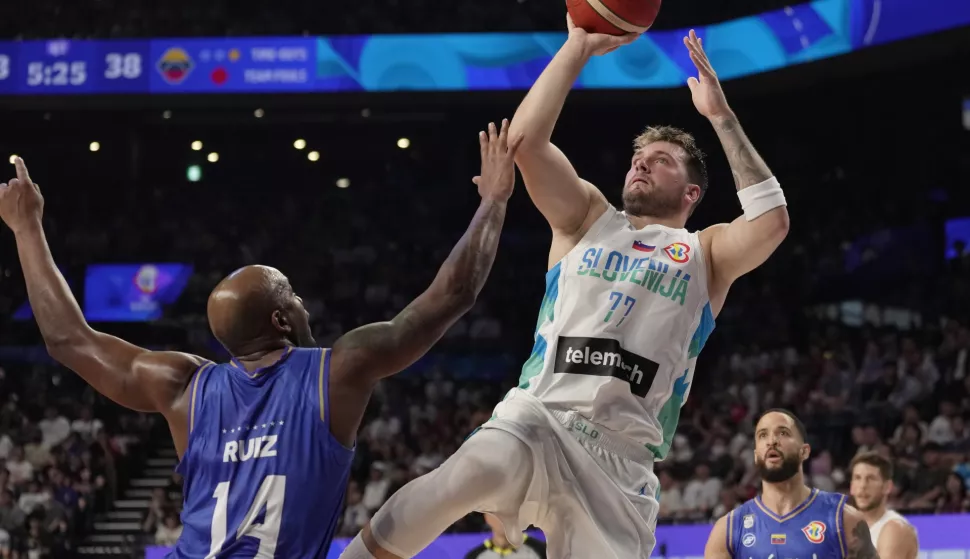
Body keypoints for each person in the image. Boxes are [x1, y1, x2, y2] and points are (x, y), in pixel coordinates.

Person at [341, 20, 790, 559]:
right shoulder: (587, 218)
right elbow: (524, 145)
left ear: (691, 191)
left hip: (622, 460)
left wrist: (721, 116)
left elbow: (771, 222)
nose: (642, 163)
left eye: (661, 160)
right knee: (453, 481)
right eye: (637, 158)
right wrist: (577, 47)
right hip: (540, 416)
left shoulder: (707, 253)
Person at [0, 120, 521, 558]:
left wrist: (27, 228)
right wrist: (494, 201)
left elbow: (69, 339)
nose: (304, 303)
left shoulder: (182, 387)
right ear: (280, 320)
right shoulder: (339, 370)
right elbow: (450, 296)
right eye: (292, 294)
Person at [704, 409, 879, 559]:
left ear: (804, 451)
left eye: (783, 433)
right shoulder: (728, 529)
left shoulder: (843, 518)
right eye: (763, 435)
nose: (772, 441)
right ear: (756, 455)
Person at [849, 452, 919, 559]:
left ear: (887, 487)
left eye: (871, 479)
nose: (863, 486)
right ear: (852, 487)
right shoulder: (847, 529)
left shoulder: (894, 529)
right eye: (858, 478)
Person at [463, 514, 547, 559]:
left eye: (508, 510)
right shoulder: (474, 556)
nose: (503, 518)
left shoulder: (542, 551)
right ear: (486, 516)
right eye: (497, 512)